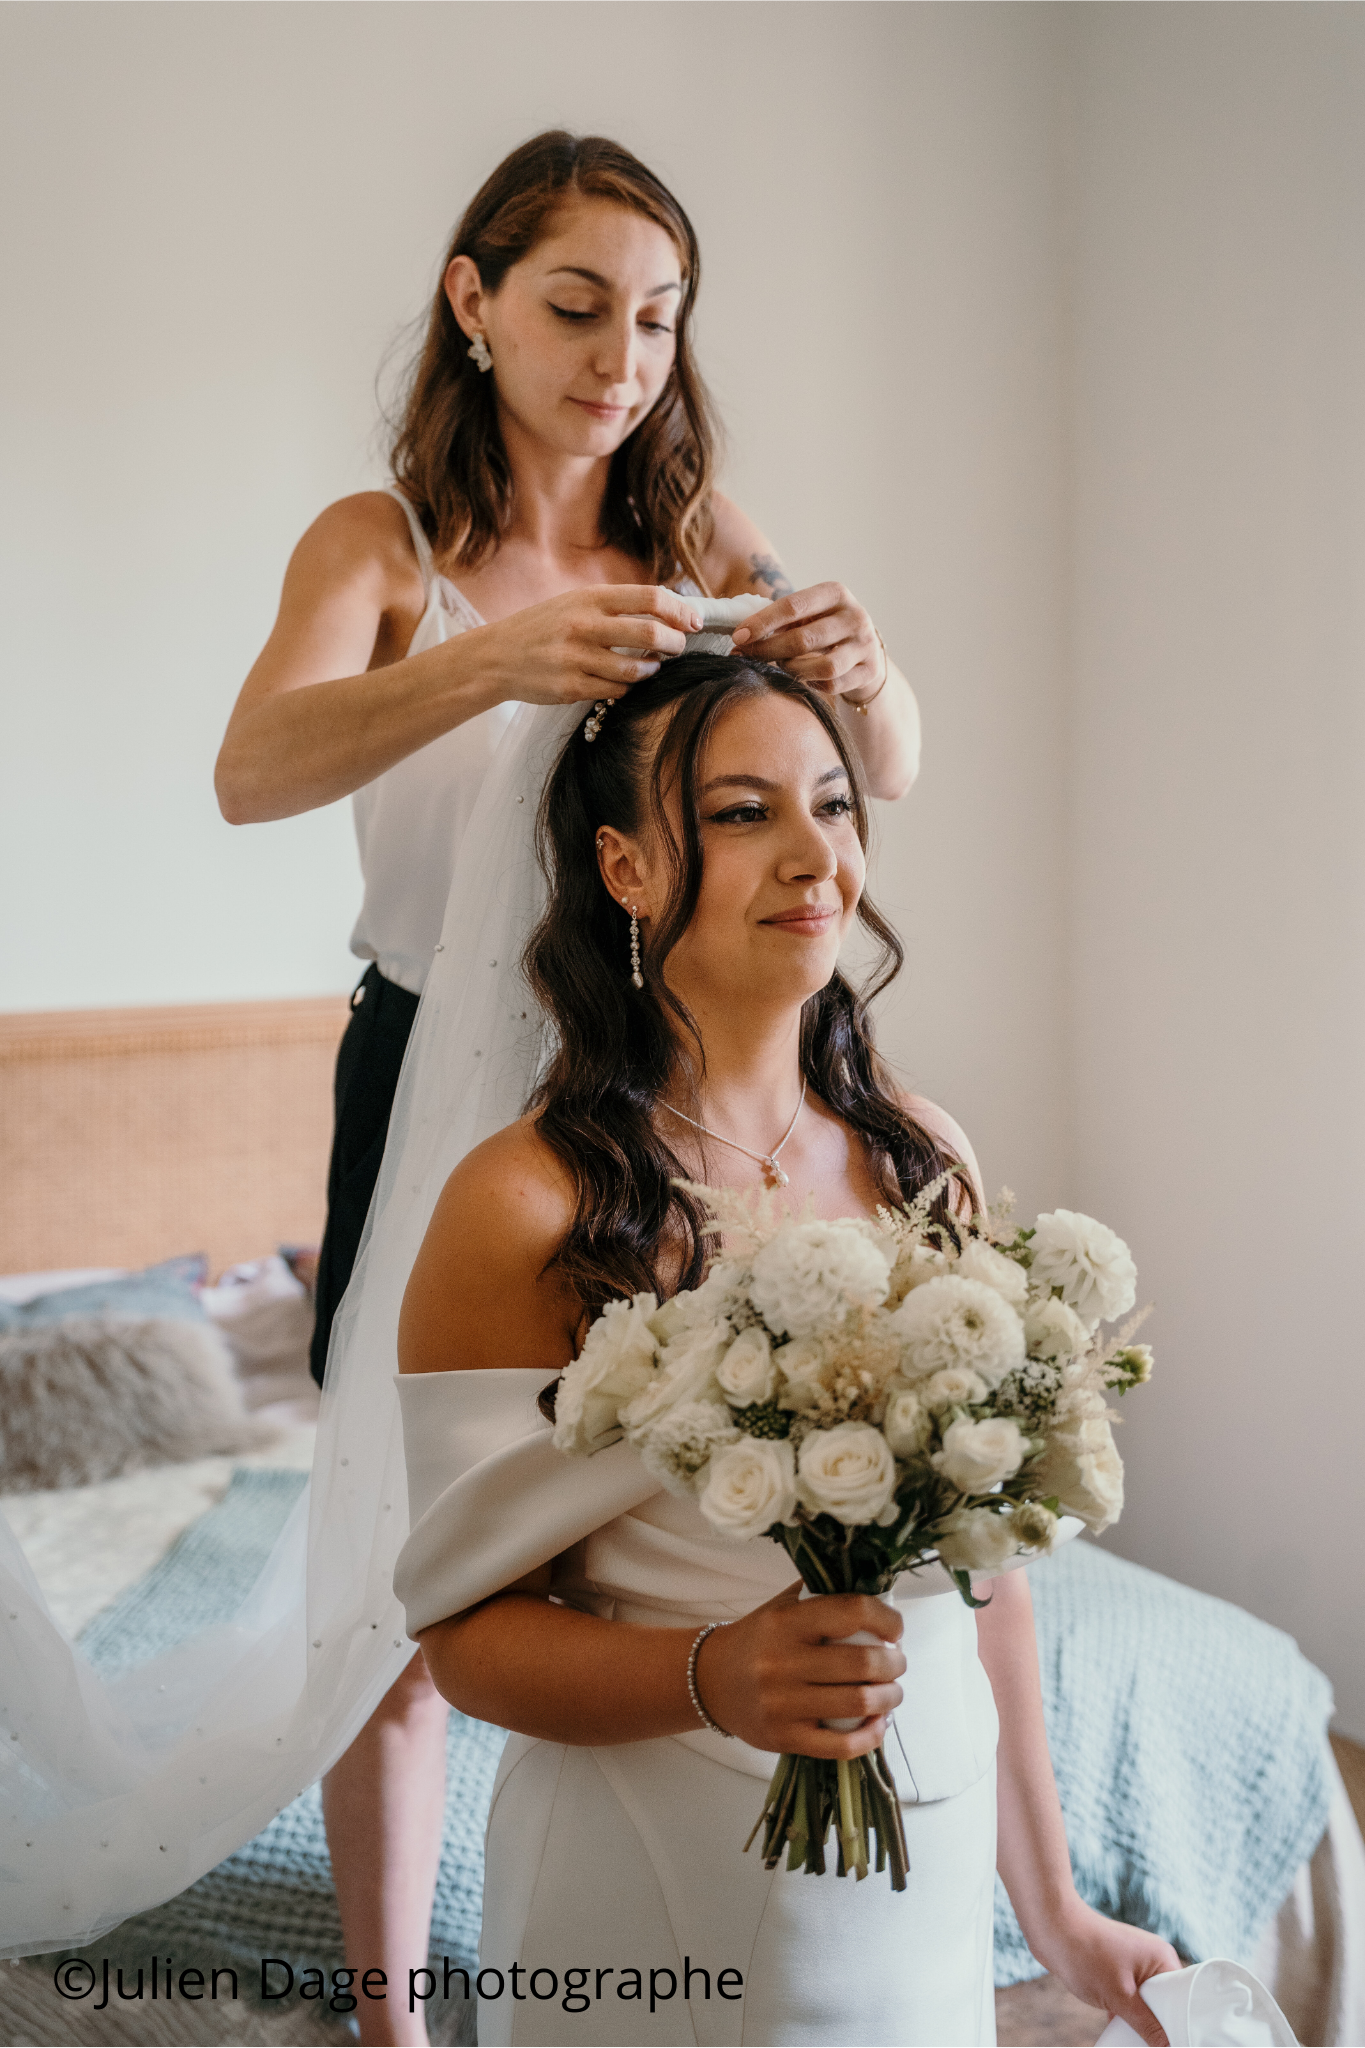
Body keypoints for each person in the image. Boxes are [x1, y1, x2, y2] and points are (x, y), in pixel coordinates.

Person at [214, 133, 921, 2043]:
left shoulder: (700, 533)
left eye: (661, 319)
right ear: (474, 301)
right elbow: (253, 769)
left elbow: (886, 768)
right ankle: (393, 2019)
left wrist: (867, 669)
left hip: (650, 1084)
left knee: (663, 1513)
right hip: (426, 1081)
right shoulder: (381, 547)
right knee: (409, 1573)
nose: (623, 360)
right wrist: (497, 663)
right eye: (578, 306)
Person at [391, 653, 1180, 2047]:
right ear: (627, 867)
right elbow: (467, 1638)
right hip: (652, 1872)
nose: (817, 856)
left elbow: (983, 1578)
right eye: (745, 813)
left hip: (922, 1863)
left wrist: (1054, 1910)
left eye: (834, 804)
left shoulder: (921, 1156)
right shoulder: (522, 1205)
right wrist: (716, 1674)